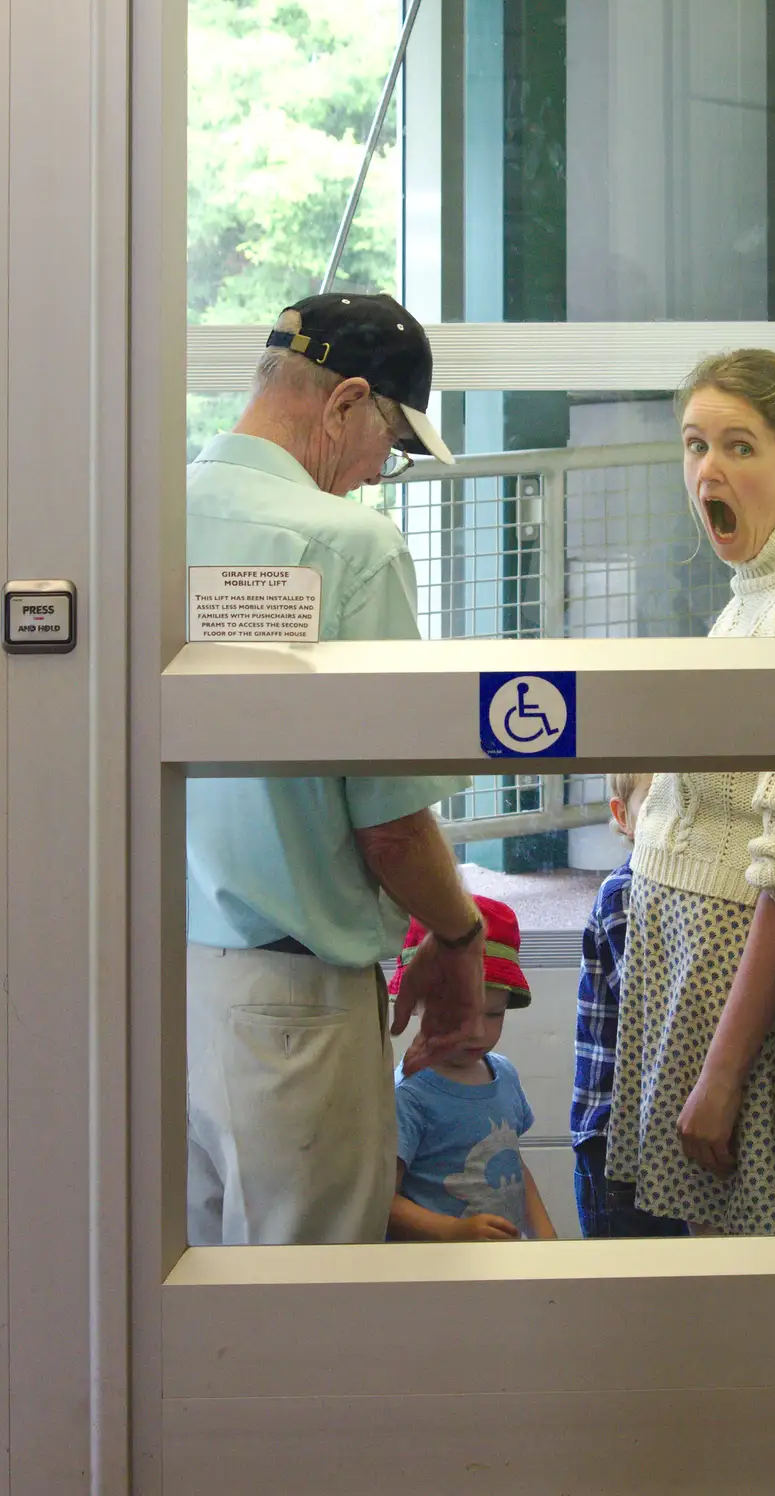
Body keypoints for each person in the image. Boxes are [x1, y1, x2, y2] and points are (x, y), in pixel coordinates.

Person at [186, 291, 487, 1247]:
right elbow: (390, 822)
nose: (374, 477)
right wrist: (458, 931)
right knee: (305, 1320)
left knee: (186, 1314)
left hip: (165, 990)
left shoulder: (142, 519)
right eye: (390, 448)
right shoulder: (349, 544)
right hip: (297, 1011)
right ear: (345, 402)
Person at [605, 349, 775, 1236]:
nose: (708, 469)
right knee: (676, 1281)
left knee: (729, 1300)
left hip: (726, 993)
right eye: (695, 444)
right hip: (684, 977)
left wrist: (724, 1072)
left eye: (740, 447)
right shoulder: (759, 587)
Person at [387, 897, 557, 1243]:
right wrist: (452, 1231)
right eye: (459, 1013)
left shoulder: (504, 1076)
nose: (477, 1032)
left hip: (502, 1269)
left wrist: (546, 1239)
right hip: (438, 1280)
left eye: (494, 1014)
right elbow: (380, 1201)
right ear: (416, 1001)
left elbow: (513, 1165)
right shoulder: (409, 1095)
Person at [571, 774, 688, 1239]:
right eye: (658, 803)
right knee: (625, 1280)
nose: (678, 819)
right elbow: (659, 1009)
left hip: (660, 1130)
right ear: (625, 818)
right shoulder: (627, 892)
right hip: (616, 1140)